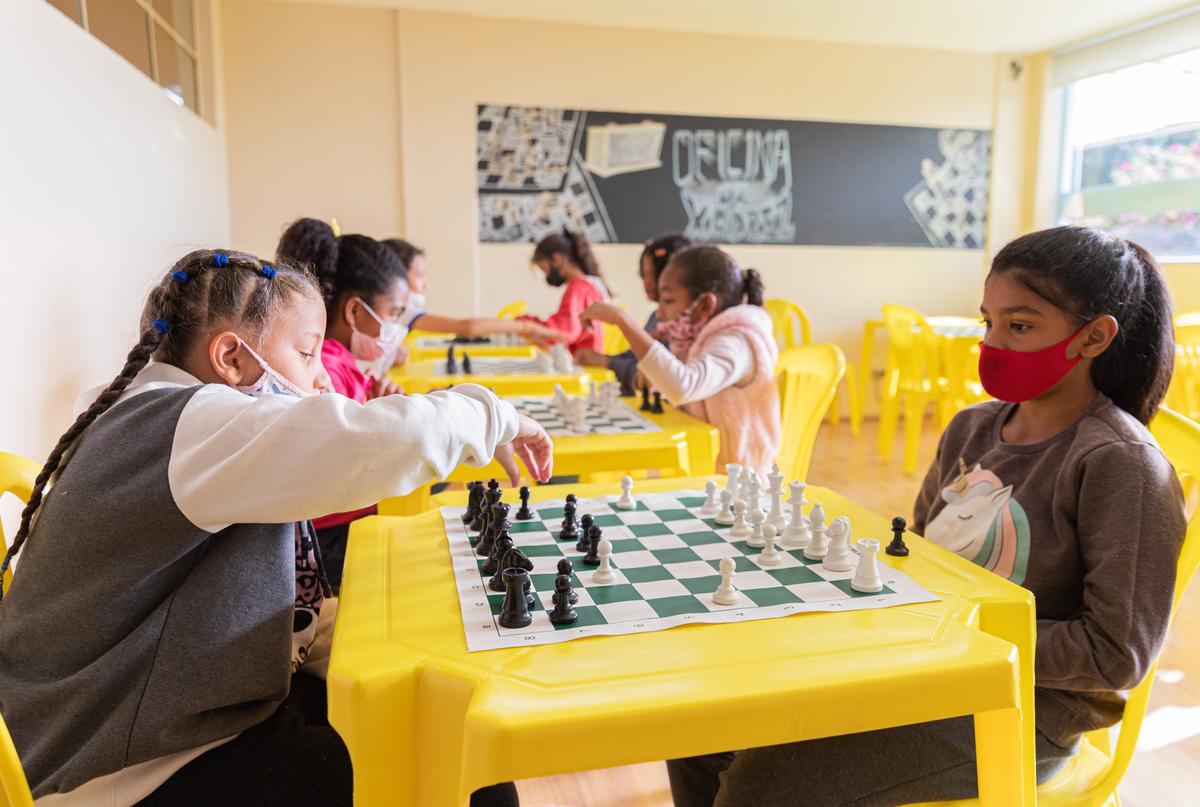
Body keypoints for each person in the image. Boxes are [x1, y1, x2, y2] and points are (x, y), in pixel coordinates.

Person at [0, 249, 548, 807]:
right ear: (231, 359)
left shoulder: (157, 417)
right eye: (308, 353)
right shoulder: (190, 427)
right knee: (455, 773)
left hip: (171, 718)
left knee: (428, 720)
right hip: (123, 770)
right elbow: (374, 441)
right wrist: (494, 415)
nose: (321, 377)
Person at [664, 226, 1187, 807]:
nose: (994, 343)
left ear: (1093, 338)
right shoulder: (973, 426)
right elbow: (921, 559)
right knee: (699, 725)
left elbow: (1116, 655)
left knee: (760, 790)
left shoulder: (1121, 464)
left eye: (1020, 325)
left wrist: (957, 631)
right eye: (988, 322)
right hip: (928, 663)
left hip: (1026, 706)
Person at [582, 245, 778, 477]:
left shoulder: (736, 343)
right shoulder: (701, 341)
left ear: (705, 304)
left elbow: (683, 387)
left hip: (740, 484)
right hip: (704, 470)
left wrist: (623, 321)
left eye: (668, 300)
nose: (661, 313)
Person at [379, 236, 565, 369]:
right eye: (419, 275)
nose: (426, 284)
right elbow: (468, 327)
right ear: (397, 277)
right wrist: (528, 328)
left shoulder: (396, 314)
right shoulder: (400, 311)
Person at [575, 233, 693, 395]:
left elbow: (658, 376)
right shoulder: (656, 316)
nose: (647, 282)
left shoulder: (688, 326)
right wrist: (605, 359)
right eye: (644, 274)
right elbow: (639, 358)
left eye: (654, 274)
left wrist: (607, 361)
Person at [522, 228, 610, 355]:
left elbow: (563, 332)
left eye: (545, 270)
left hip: (583, 365)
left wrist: (524, 321)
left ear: (556, 259)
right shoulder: (594, 285)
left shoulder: (577, 289)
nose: (546, 277)